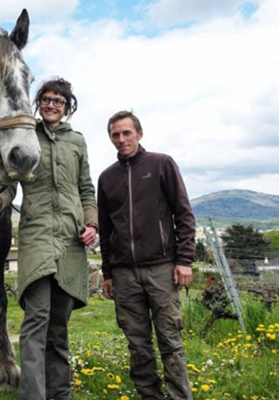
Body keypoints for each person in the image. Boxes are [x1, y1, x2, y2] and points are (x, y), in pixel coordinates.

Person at [0, 78, 98, 400]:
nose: (51, 105)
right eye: (46, 99)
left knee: (59, 327)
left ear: (67, 106)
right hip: (36, 238)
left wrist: (92, 224)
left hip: (71, 241)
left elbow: (86, 189)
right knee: (37, 320)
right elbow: (7, 185)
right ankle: (33, 395)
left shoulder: (77, 141)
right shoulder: (25, 135)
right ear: (38, 102)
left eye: (58, 101)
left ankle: (60, 394)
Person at [97, 110, 195, 400]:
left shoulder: (161, 164)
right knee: (137, 345)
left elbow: (184, 214)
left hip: (162, 269)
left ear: (139, 133)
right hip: (124, 274)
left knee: (170, 341)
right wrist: (107, 273)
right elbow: (105, 230)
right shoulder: (106, 178)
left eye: (126, 132)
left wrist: (185, 260)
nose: (121, 139)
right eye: (115, 134)